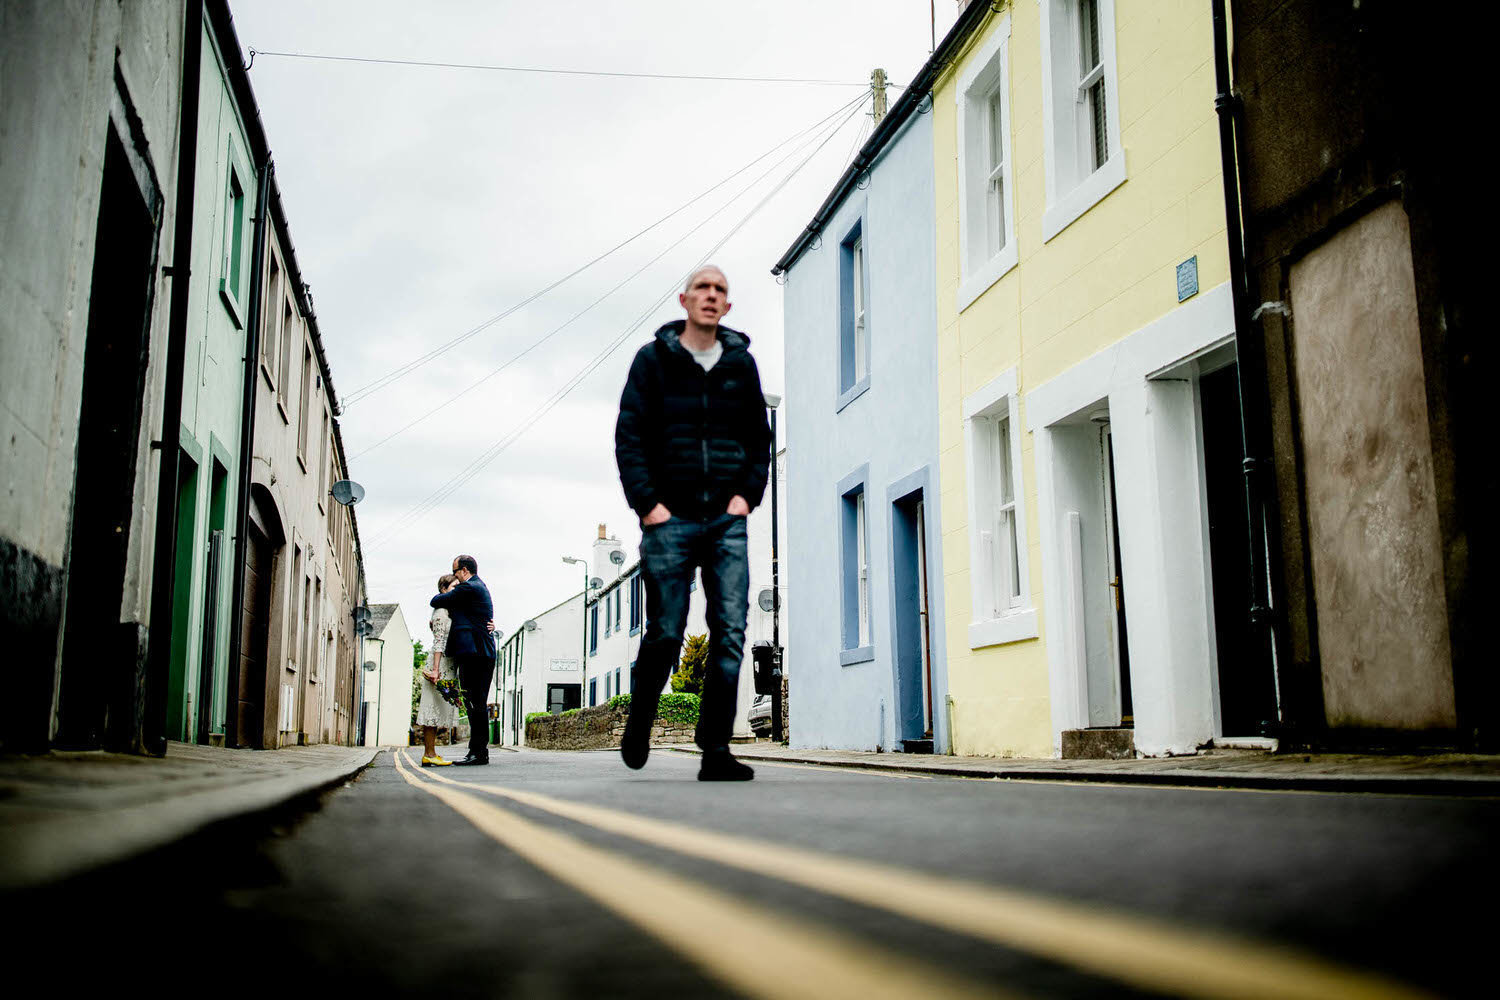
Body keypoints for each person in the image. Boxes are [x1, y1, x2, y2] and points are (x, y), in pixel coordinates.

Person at [614, 264, 771, 781]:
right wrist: (648, 506)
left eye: (720, 289)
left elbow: (757, 439)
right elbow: (630, 436)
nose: (711, 295)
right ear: (684, 300)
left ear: (727, 306)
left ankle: (715, 751)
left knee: (729, 632)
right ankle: (640, 721)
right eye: (702, 287)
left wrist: (746, 496)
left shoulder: (740, 365)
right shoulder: (653, 361)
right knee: (665, 631)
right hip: (669, 520)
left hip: (726, 520)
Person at [429, 554, 496, 765]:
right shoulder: (475, 589)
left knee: (475, 703)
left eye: (456, 572)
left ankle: (478, 752)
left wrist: (453, 591)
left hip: (476, 654)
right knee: (475, 703)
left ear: (465, 570)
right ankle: (477, 751)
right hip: (478, 652)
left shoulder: (469, 588)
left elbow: (436, 600)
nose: (454, 577)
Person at [417, 573, 462, 766]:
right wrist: (435, 670)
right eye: (454, 587)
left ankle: (431, 753)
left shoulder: (449, 611)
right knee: (431, 710)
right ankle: (429, 753)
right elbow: (439, 643)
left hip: (447, 664)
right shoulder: (441, 612)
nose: (457, 590)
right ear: (443, 590)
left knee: (437, 710)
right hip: (440, 664)